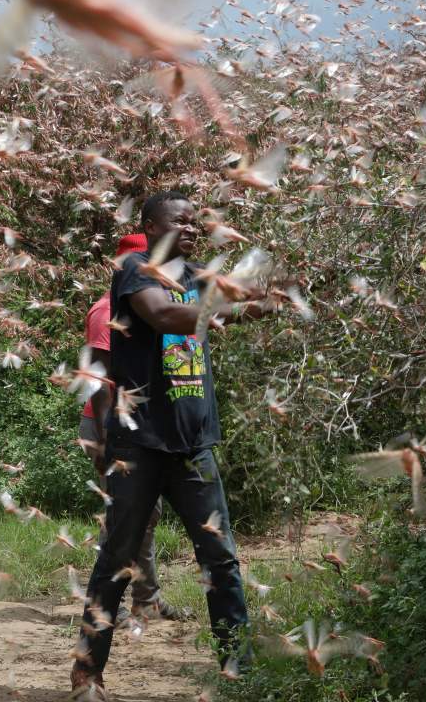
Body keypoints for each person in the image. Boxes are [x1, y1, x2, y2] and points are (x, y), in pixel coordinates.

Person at [71, 190, 270, 698]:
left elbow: (242, 295)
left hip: (191, 445)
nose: (189, 227)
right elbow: (163, 316)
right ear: (152, 225)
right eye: (179, 221)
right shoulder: (135, 270)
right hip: (138, 444)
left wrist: (269, 297)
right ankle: (88, 673)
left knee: (221, 560)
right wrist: (233, 309)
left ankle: (239, 672)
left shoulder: (197, 274)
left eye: (194, 222)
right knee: (118, 559)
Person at [80, 232, 190, 623]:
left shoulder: (151, 305)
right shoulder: (106, 309)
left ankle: (146, 597)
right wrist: (107, 434)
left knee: (146, 517)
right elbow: (96, 375)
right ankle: (116, 605)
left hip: (139, 426)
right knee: (125, 519)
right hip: (109, 426)